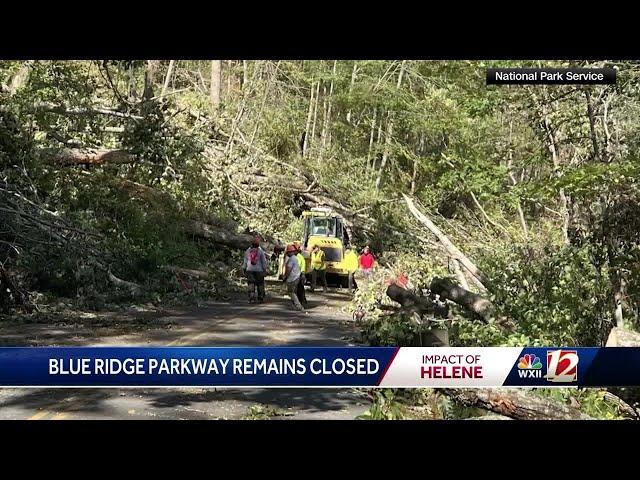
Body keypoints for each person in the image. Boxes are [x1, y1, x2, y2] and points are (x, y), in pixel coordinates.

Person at [242, 236, 267, 303]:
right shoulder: (260, 251)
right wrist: (265, 269)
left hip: (249, 270)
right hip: (259, 270)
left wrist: (244, 268)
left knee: (251, 283)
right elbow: (263, 261)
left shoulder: (247, 251)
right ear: (258, 244)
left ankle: (251, 298)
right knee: (260, 284)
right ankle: (260, 298)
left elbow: (245, 261)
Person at [283, 244, 304, 311]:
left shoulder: (292, 259)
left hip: (293, 278)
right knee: (293, 292)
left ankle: (298, 306)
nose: (287, 254)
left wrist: (285, 276)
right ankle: (296, 305)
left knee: (291, 292)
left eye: (288, 252)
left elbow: (289, 270)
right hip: (296, 277)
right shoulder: (295, 258)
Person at [294, 242, 308, 307]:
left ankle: (300, 302)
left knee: (298, 289)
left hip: (298, 274)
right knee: (300, 288)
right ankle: (302, 300)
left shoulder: (298, 257)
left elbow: (298, 266)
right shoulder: (300, 257)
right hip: (300, 274)